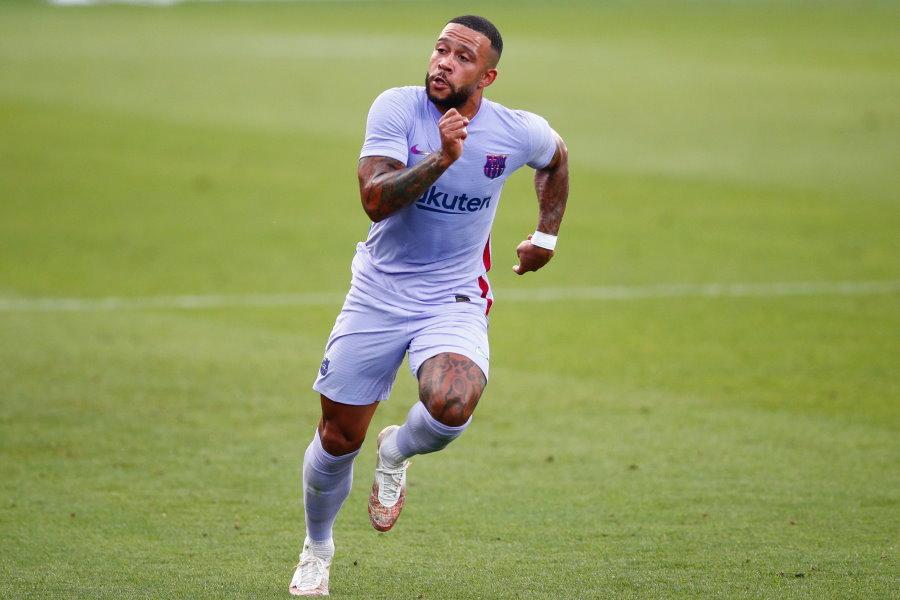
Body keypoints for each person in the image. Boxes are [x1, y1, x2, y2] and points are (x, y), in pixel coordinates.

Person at [289, 14, 569, 596]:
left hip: (453, 294)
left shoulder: (514, 130)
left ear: (487, 76)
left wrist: (545, 235)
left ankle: (397, 450)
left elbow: (556, 157)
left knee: (452, 404)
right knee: (338, 439)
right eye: (441, 49)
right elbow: (374, 200)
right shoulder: (397, 108)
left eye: (462, 57)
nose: (444, 62)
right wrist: (441, 158)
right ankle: (317, 548)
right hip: (378, 292)